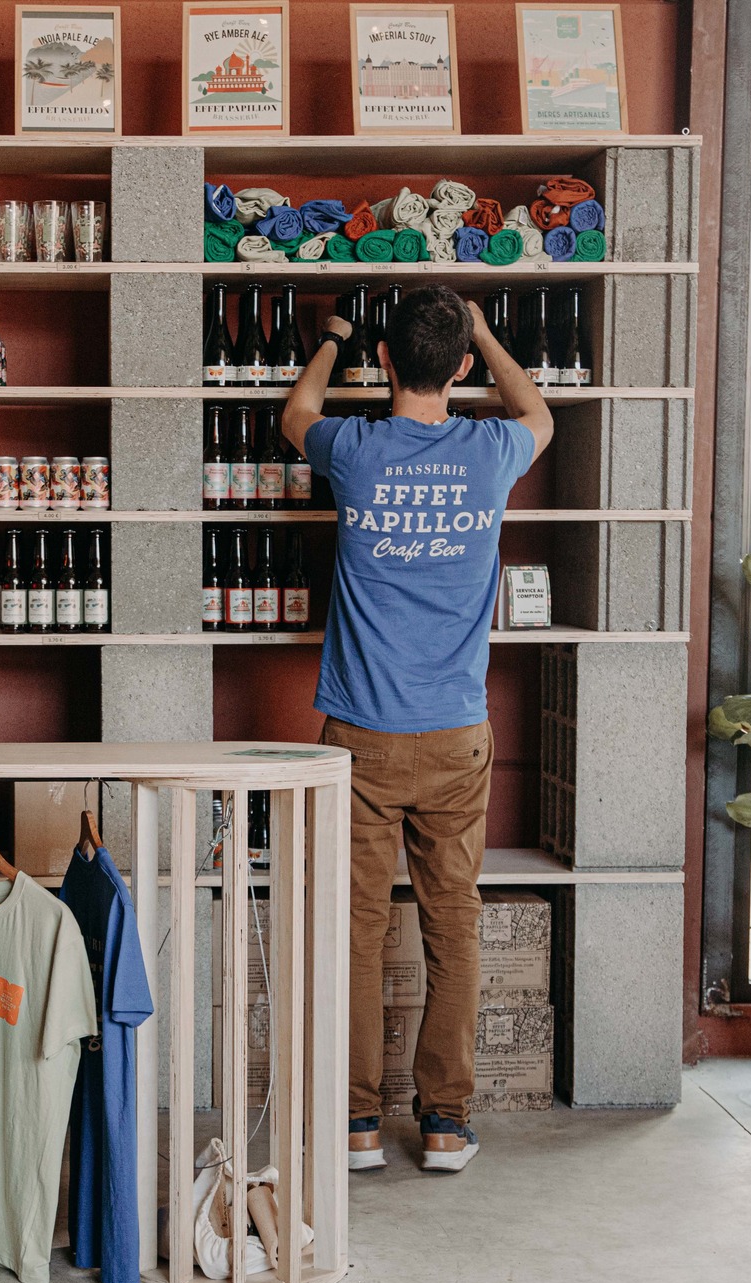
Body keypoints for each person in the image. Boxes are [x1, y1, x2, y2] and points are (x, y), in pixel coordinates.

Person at [281, 285, 552, 1173]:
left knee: (356, 930)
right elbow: (539, 410)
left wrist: (331, 339)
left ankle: (357, 1125)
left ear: (386, 361)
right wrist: (486, 328)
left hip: (358, 735)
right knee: (454, 926)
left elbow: (297, 411)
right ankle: (444, 1121)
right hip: (457, 736)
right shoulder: (493, 447)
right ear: (462, 365)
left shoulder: (353, 448)